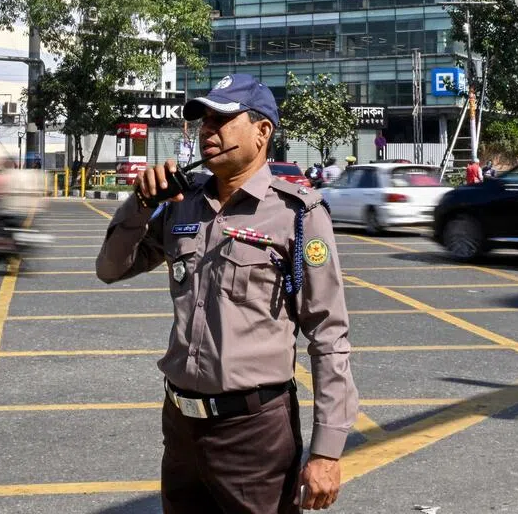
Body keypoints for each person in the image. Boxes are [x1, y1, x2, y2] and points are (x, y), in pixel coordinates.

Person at [96, 73, 358, 513]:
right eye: (203, 122)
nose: (207, 132)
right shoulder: (183, 203)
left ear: (262, 130)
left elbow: (329, 335)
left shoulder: (298, 215)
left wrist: (327, 451)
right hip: (181, 426)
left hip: (253, 433)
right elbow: (110, 269)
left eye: (222, 120)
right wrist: (139, 204)